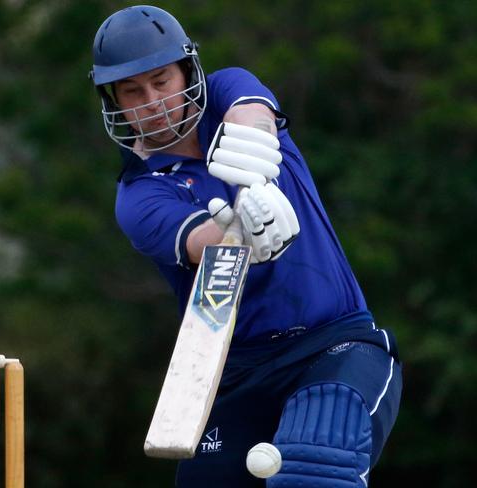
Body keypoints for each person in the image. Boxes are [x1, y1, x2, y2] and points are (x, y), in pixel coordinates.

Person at [90, 6, 402, 487]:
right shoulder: (139, 195)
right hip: (231, 374)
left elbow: (253, 113)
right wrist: (245, 230)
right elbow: (202, 241)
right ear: (115, 102)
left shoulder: (227, 90)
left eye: (161, 81)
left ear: (187, 73)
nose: (152, 101)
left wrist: (256, 176)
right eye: (133, 91)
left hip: (333, 344)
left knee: (312, 472)